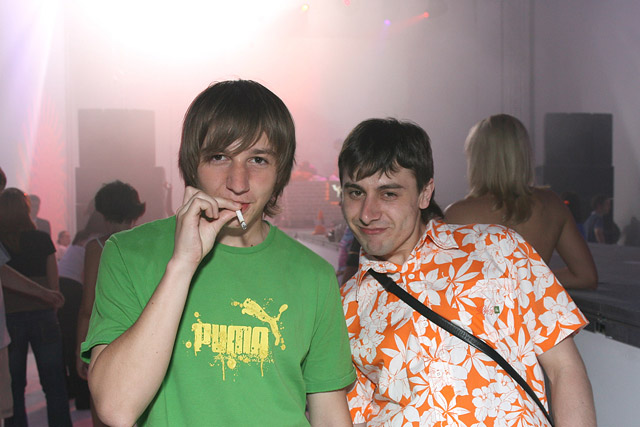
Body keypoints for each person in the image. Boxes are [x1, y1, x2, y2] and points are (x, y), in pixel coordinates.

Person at [81, 79, 356, 426]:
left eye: (258, 159)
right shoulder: (130, 254)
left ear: (280, 172)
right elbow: (116, 408)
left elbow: (329, 414)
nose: (238, 182)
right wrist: (182, 265)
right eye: (219, 157)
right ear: (192, 165)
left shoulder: (313, 275)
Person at [339, 118, 596, 426]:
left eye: (388, 194)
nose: (367, 213)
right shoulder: (344, 307)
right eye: (356, 193)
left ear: (425, 193)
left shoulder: (498, 249)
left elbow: (564, 369)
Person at [444, 114, 597, 290]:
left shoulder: (458, 214)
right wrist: (529, 277)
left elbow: (439, 283)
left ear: (476, 157)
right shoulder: (552, 205)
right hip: (532, 307)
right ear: (523, 153)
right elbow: (585, 276)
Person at [74, 180, 145, 425]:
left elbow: (88, 306)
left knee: (104, 409)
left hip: (108, 338)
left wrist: (80, 351)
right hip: (142, 334)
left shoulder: (97, 247)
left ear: (102, 211)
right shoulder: (148, 242)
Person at [0, 188, 72, 426]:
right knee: (54, 384)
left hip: (9, 318)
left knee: (14, 386)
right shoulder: (42, 239)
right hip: (43, 314)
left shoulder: (1, 242)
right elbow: (54, 282)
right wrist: (51, 304)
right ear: (26, 210)